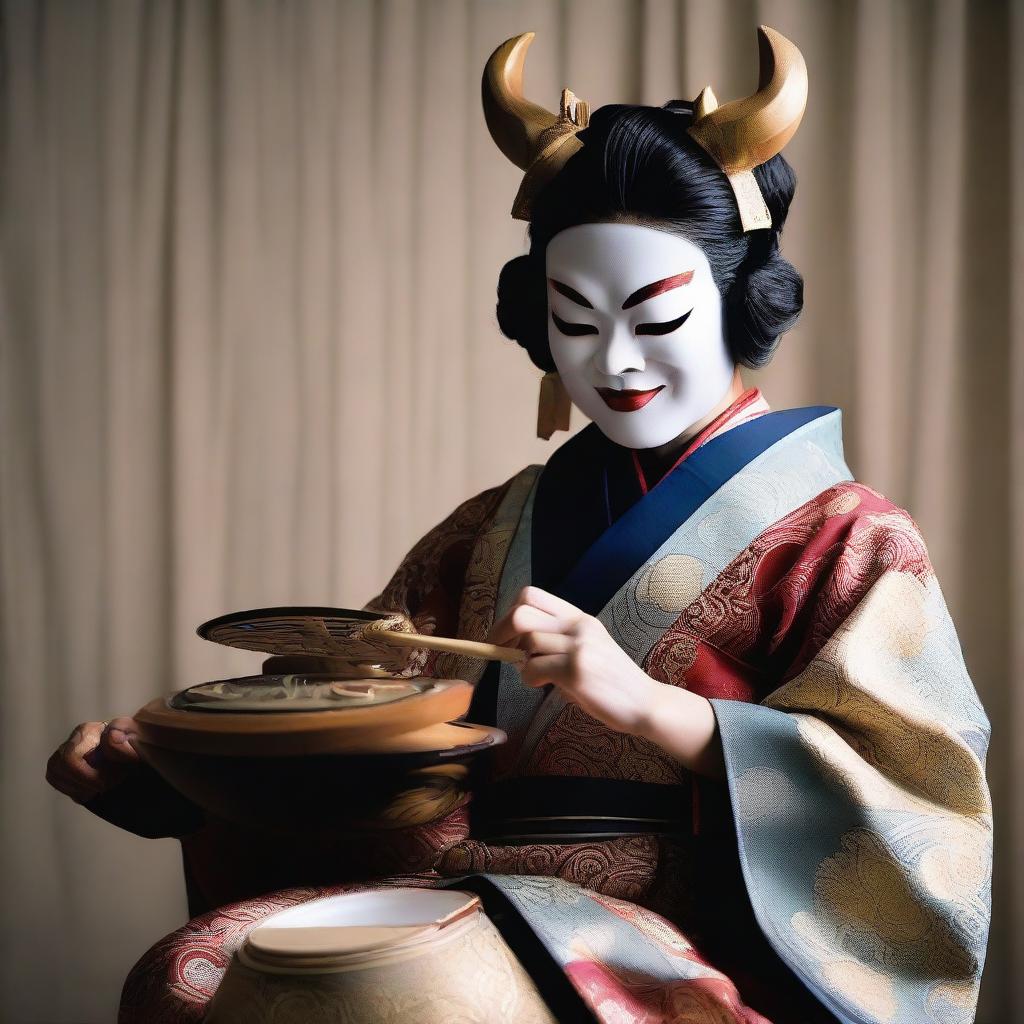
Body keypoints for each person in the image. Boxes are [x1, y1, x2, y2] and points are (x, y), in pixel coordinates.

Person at [47, 27, 992, 1024]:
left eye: (657, 320)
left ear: (738, 303)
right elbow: (362, 728)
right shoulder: (494, 526)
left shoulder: (847, 538)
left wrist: (648, 707)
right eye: (576, 323)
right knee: (191, 975)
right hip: (461, 881)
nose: (616, 361)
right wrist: (183, 780)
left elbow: (911, 798)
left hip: (685, 923)